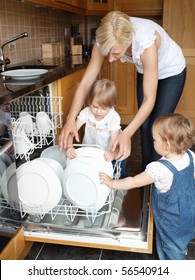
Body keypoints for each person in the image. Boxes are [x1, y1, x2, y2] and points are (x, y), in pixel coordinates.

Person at [58, 11, 186, 170]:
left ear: (129, 40)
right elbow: (85, 84)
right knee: (145, 127)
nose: (110, 59)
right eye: (107, 53)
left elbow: (149, 100)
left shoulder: (146, 43)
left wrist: (126, 134)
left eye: (116, 53)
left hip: (171, 71)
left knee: (158, 126)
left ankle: (157, 175)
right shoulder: (104, 38)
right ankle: (147, 170)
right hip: (146, 70)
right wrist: (71, 119)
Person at [99, 113, 195, 260]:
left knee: (171, 246)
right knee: (182, 236)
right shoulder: (190, 155)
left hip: (171, 219)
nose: (153, 142)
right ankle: (181, 247)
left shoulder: (159, 169)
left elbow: (134, 182)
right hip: (190, 210)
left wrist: (112, 183)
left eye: (155, 139)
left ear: (167, 144)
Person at [66, 78, 127, 178]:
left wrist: (112, 154)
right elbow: (72, 130)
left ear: (111, 105)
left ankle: (120, 184)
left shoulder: (113, 117)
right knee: (90, 173)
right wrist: (69, 146)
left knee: (117, 168)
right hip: (90, 152)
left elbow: (115, 141)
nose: (98, 112)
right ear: (89, 101)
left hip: (108, 151)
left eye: (103, 109)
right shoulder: (86, 112)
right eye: (95, 106)